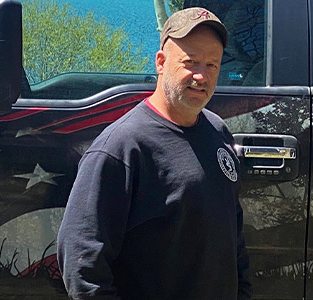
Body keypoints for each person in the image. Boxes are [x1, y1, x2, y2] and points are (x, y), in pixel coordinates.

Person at [56, 7, 251, 300]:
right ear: (161, 62)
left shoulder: (217, 132)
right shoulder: (121, 148)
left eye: (212, 65)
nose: (201, 75)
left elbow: (231, 237)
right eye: (190, 62)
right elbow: (83, 265)